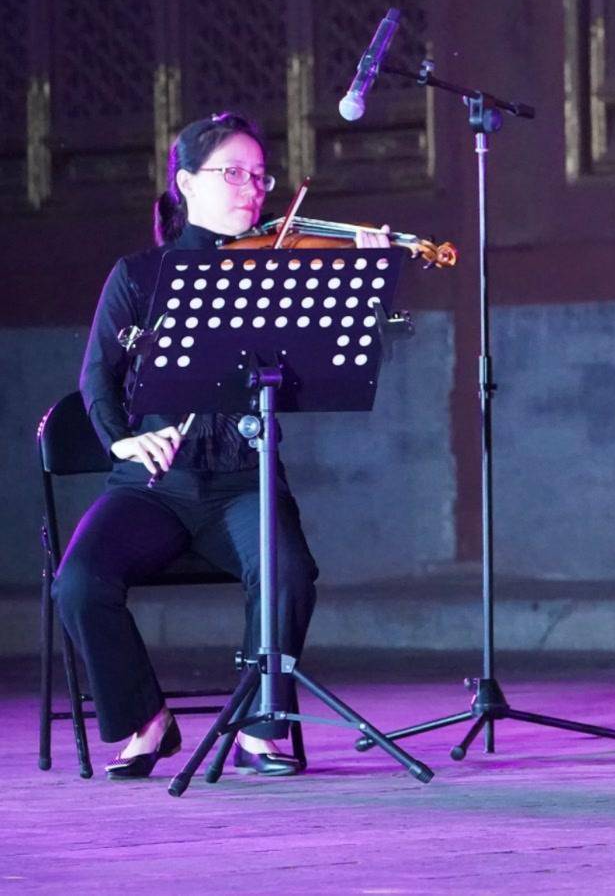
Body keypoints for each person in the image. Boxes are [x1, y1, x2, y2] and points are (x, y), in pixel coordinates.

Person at [57, 112, 386, 779]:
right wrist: (122, 442)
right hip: (154, 487)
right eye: (232, 173)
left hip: (243, 479)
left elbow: (329, 360)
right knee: (78, 583)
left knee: (289, 571)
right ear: (186, 182)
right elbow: (98, 376)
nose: (251, 188)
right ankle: (148, 720)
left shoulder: (281, 268)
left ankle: (261, 726)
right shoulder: (139, 275)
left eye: (260, 176)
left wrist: (368, 280)